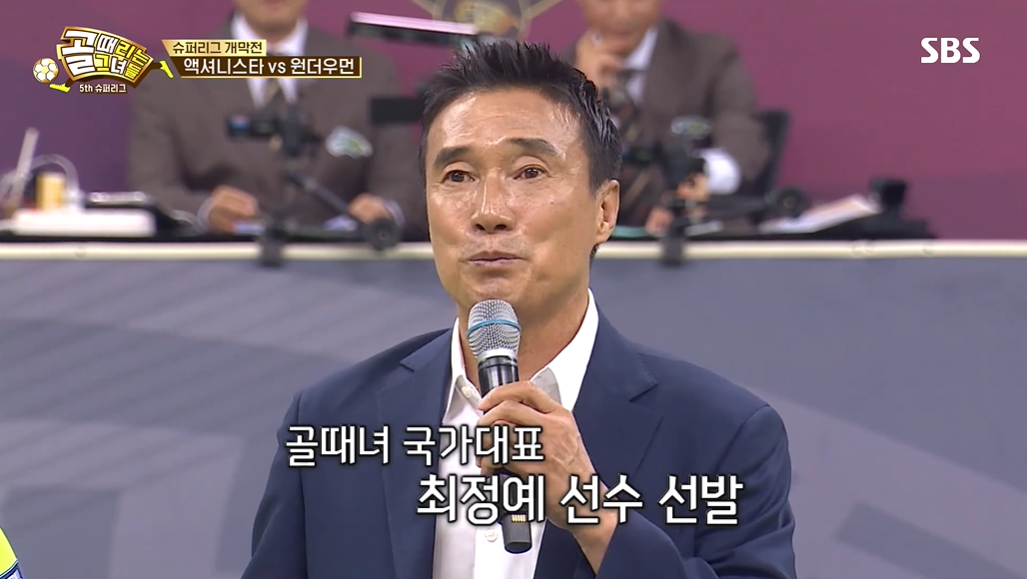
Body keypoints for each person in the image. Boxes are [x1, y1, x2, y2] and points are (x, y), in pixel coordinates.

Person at [243, 42, 796, 579]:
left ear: (604, 211)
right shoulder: (330, 422)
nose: (488, 212)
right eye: (457, 176)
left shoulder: (722, 433)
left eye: (529, 172)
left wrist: (593, 515)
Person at [127, 0, 428, 240]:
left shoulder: (372, 73)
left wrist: (384, 210)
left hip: (345, 273)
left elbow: (404, 187)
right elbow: (150, 189)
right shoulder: (170, 76)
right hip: (218, 273)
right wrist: (204, 211)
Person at [564, 0, 770, 233]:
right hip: (595, 238)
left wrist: (698, 175)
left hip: (694, 231)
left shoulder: (710, 57)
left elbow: (744, 134)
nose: (621, 13)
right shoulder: (557, 73)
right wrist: (586, 100)